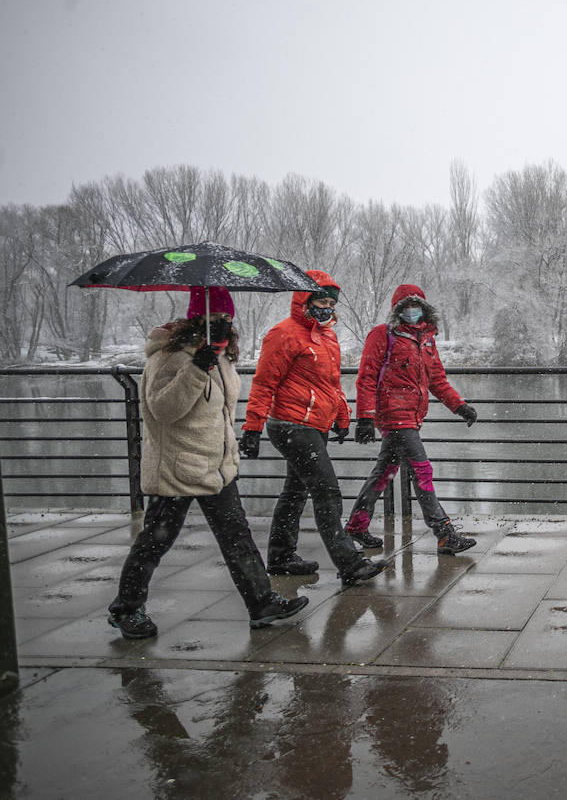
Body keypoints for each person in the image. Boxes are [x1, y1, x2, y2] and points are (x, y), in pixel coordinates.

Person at [107, 287, 308, 639]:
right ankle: (126, 609)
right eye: (213, 319)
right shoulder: (169, 357)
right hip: (177, 467)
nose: (222, 326)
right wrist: (196, 370)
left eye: (227, 319)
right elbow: (164, 410)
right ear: (194, 320)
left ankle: (261, 604)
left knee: (238, 539)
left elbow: (222, 409)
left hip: (216, 466)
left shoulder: (221, 356)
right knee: (156, 541)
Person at [238, 271, 387, 585]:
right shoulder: (283, 334)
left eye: (331, 302)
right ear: (304, 299)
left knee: (295, 491)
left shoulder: (326, 335)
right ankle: (349, 563)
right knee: (327, 491)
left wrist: (343, 418)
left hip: (314, 425)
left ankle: (280, 557)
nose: (327, 306)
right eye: (321, 299)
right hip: (291, 425)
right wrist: (252, 427)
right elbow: (264, 384)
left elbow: (330, 385)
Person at [345, 284, 478, 554]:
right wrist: (365, 417)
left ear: (424, 309)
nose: (411, 312)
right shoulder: (382, 335)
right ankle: (444, 533)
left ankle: (357, 526)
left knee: (383, 473)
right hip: (393, 415)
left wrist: (460, 406)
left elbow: (437, 381)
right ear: (397, 310)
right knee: (422, 470)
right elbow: (366, 377)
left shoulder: (427, 340)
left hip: (413, 416)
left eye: (415, 306)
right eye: (405, 307)